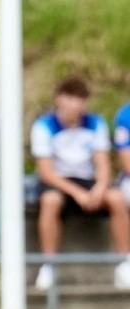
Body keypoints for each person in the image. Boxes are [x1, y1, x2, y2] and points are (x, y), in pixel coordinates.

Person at [30, 77, 130, 290]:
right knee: (50, 201)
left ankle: (124, 264)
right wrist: (77, 193)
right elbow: (46, 172)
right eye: (71, 98)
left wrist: (100, 187)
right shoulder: (44, 126)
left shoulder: (96, 123)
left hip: (88, 182)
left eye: (81, 99)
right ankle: (49, 265)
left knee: (116, 198)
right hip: (60, 183)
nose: (76, 104)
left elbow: (102, 164)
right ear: (59, 99)